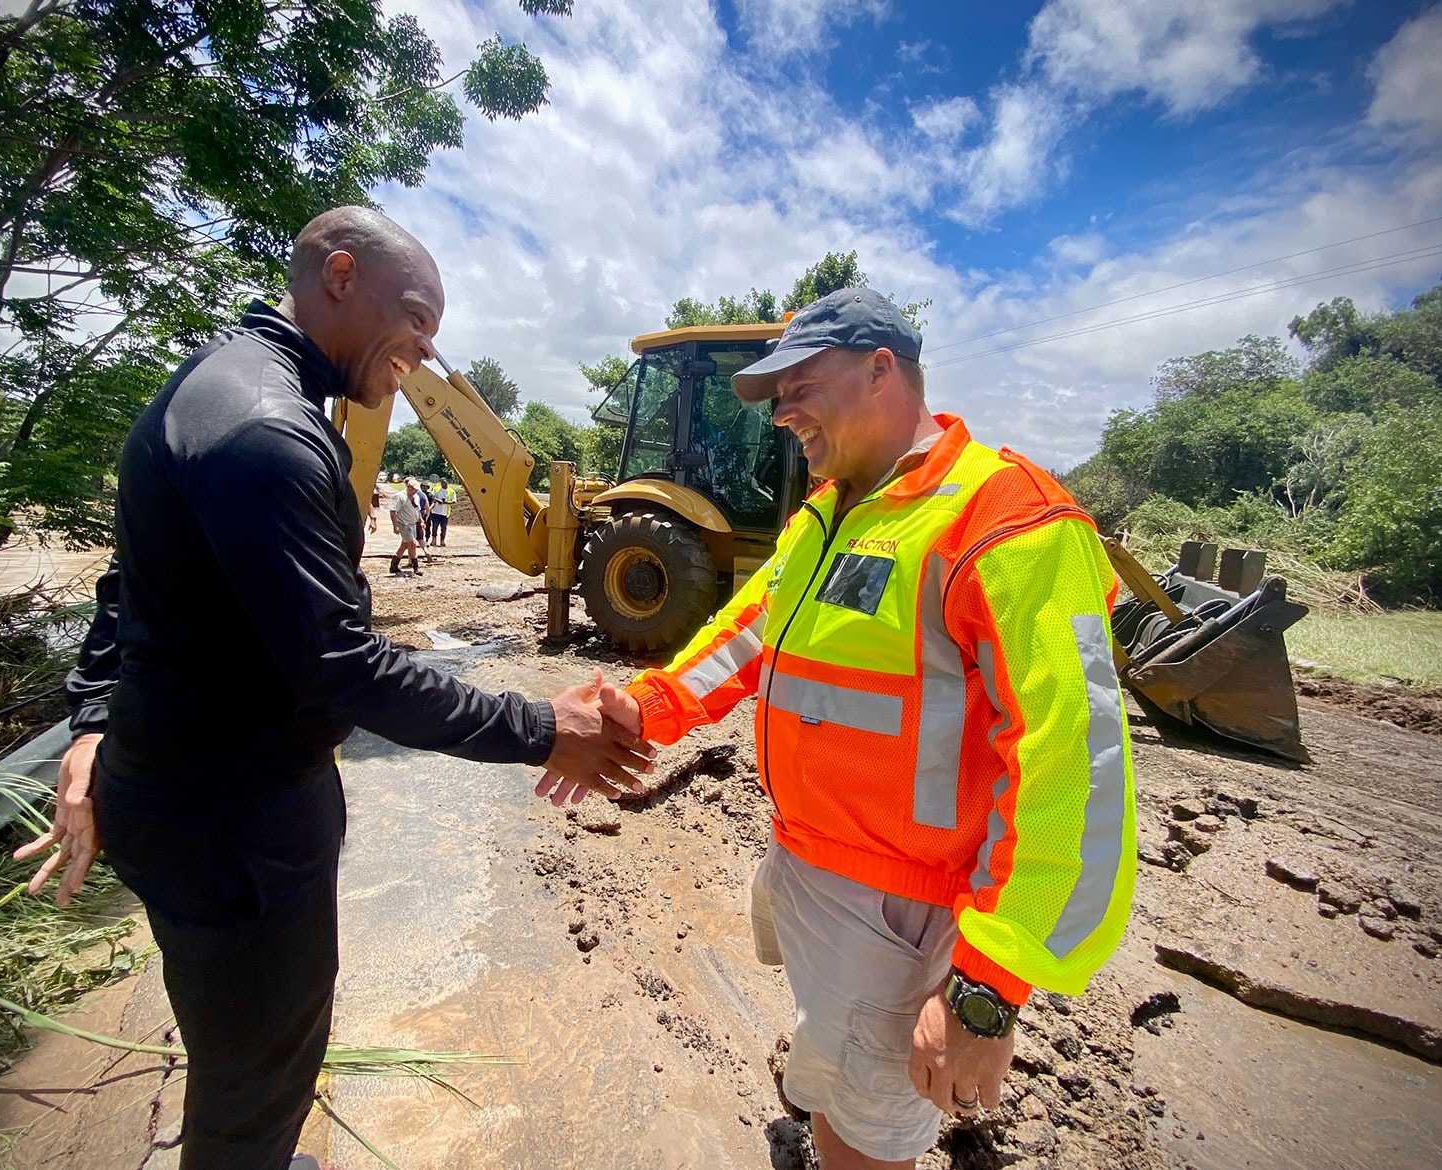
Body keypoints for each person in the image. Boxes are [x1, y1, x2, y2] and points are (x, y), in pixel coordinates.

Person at [14, 206, 653, 1170]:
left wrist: (95, 723)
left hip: (201, 797)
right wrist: (539, 725)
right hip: (232, 820)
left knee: (242, 1045)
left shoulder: (219, 387)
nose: (426, 348)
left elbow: (129, 591)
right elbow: (341, 661)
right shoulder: (265, 431)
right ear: (340, 275)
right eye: (417, 316)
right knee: (259, 1069)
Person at [539, 288, 1136, 1169]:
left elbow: (1074, 770)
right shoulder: (828, 511)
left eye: (798, 386)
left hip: (903, 911)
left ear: (881, 369)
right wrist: (648, 706)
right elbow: (747, 632)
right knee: (838, 1075)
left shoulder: (1004, 520)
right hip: (814, 866)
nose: (782, 415)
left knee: (868, 1136)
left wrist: (989, 988)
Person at [390, 476, 424, 575]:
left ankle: (394, 566)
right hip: (404, 524)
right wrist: (395, 526)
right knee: (412, 544)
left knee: (405, 545)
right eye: (414, 490)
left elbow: (417, 510)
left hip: (413, 524)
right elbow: (393, 511)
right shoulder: (399, 496)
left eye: (417, 490)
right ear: (408, 487)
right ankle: (416, 568)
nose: (415, 492)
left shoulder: (416, 496)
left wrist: (421, 520)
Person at [428, 478, 453, 546]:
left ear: (447, 483)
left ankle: (442, 541)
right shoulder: (436, 489)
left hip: (445, 513)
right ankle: (433, 540)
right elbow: (432, 496)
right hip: (436, 512)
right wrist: (438, 500)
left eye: (444, 483)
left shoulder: (451, 491)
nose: (443, 484)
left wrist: (445, 502)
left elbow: (453, 501)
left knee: (443, 528)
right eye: (442, 483)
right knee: (434, 527)